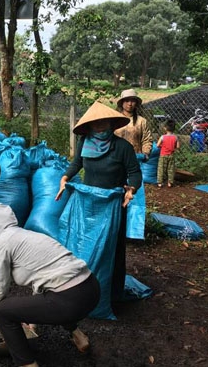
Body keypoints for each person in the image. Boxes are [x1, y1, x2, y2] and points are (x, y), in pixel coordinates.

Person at [0, 204, 100, 367]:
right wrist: (32, 322)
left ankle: (28, 364)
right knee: (55, 294)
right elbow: (42, 282)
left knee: (2, 312)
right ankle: (79, 338)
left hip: (70, 300)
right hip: (91, 289)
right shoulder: (28, 236)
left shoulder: (2, 243)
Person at [55, 101, 142, 301]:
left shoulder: (122, 147)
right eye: (96, 122)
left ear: (112, 123)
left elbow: (135, 172)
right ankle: (80, 289)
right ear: (90, 126)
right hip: (88, 204)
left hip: (113, 205)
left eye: (104, 122)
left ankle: (111, 295)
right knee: (83, 244)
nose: (101, 126)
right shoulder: (84, 143)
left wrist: (132, 189)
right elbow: (77, 163)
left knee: (112, 248)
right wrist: (65, 177)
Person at [115, 88, 153, 161]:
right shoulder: (115, 120)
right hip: (117, 159)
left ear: (136, 103)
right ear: (122, 103)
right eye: (127, 101)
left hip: (135, 159)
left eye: (132, 101)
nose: (130, 104)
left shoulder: (141, 121)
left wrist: (145, 153)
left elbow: (146, 139)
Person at [156, 119, 180, 188]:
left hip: (163, 155)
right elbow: (178, 147)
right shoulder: (175, 137)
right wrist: (173, 147)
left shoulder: (162, 137)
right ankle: (170, 183)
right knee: (171, 169)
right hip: (171, 155)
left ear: (165, 128)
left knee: (161, 169)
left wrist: (162, 146)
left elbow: (158, 145)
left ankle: (160, 183)